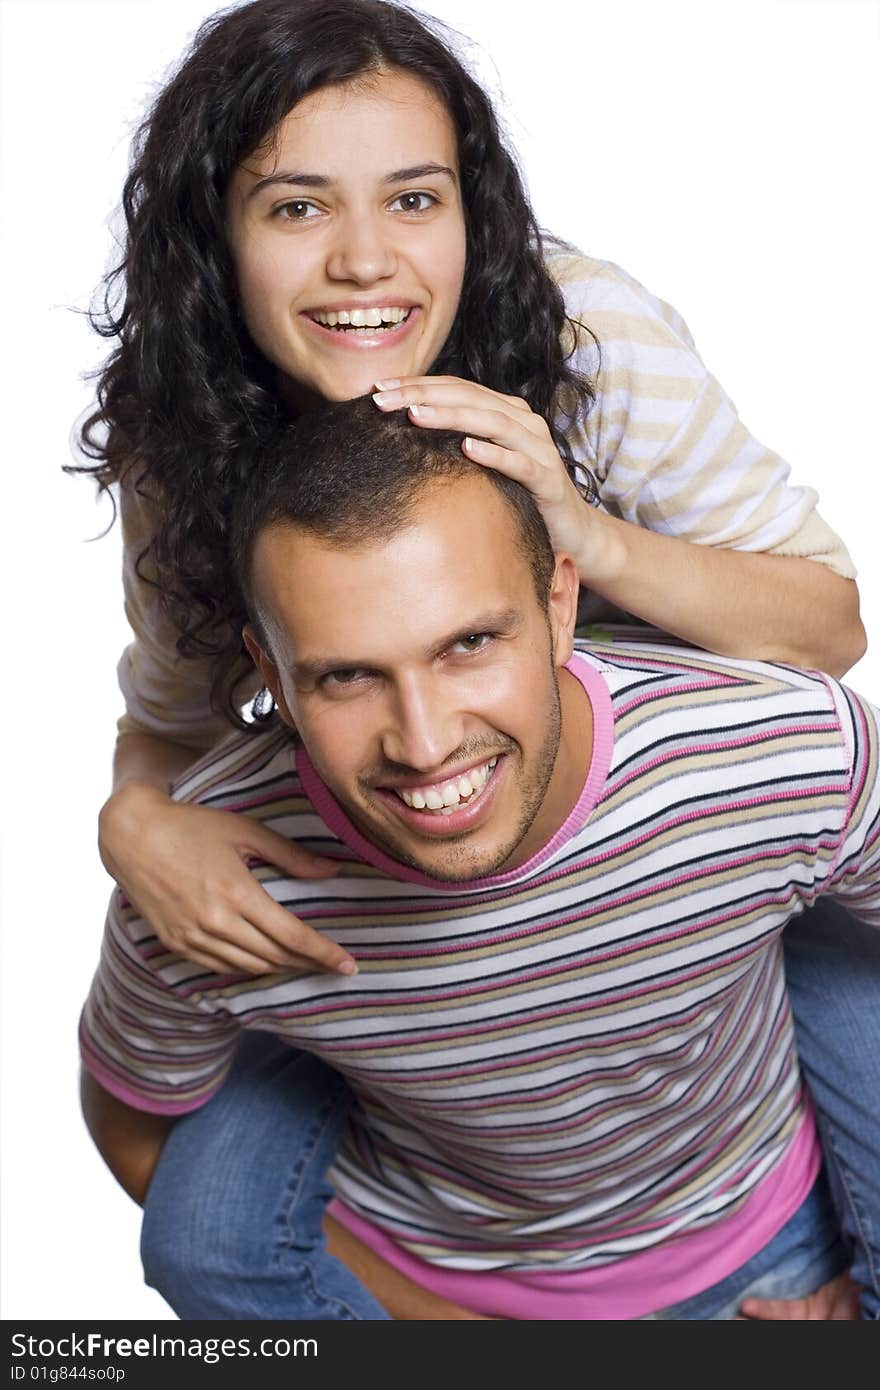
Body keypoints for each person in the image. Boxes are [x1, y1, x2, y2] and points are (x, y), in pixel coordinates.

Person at [71, 0, 878, 1316]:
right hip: (406, 891)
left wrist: (588, 535)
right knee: (212, 1221)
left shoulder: (591, 341)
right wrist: (136, 823)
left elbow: (828, 626)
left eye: (412, 198)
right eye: (296, 209)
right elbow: (169, 717)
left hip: (679, 844)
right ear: (219, 238)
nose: (361, 262)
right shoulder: (190, 443)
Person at [81, 399, 876, 1320]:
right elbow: (142, 1135)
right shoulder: (203, 878)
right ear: (271, 671)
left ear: (560, 603)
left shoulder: (779, 755)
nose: (424, 746)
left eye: (469, 644)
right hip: (426, 1285)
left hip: (779, 1260)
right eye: (346, 676)